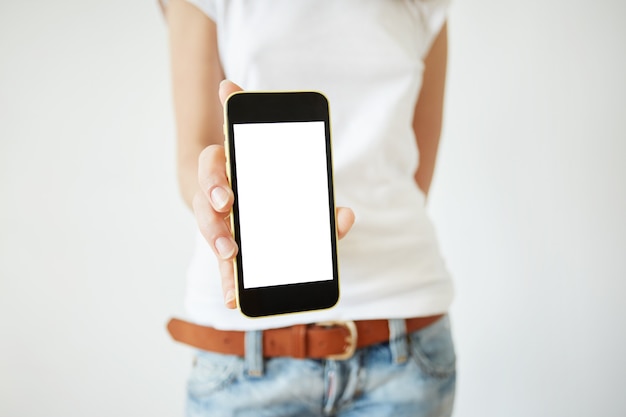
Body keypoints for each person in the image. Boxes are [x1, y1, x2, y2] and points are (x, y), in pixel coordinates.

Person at [163, 0, 456, 416]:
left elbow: (414, 176)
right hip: (246, 353)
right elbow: (193, 154)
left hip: (406, 343)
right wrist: (214, 198)